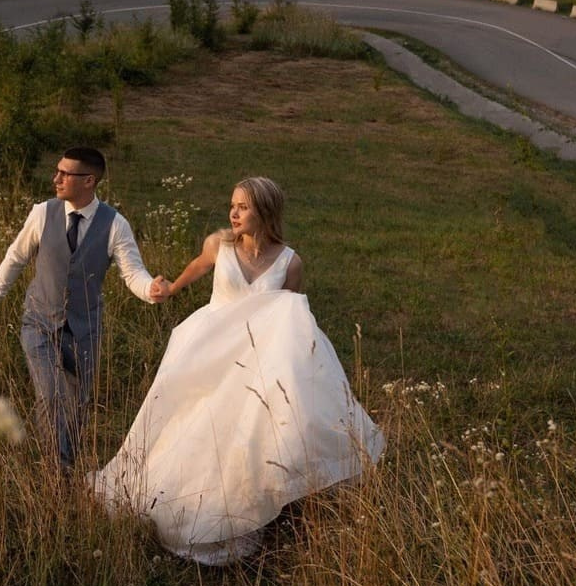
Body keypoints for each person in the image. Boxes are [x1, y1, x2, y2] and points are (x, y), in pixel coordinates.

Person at [92, 176, 384, 564]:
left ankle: (249, 503)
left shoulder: (289, 262)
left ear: (264, 211)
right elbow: (196, 268)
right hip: (212, 347)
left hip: (258, 357)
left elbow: (291, 317)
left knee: (250, 429)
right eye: (232, 204)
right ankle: (187, 503)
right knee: (197, 422)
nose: (233, 212)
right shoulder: (219, 246)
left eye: (243, 206)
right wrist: (168, 288)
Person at [0, 146, 170, 468]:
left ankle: (66, 462)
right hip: (39, 322)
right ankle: (59, 474)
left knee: (76, 407)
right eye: (58, 171)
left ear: (89, 181)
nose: (56, 178)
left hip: (85, 331)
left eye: (65, 174)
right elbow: (15, 259)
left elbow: (133, 273)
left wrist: (151, 290)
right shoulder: (43, 213)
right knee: (51, 396)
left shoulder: (115, 225)